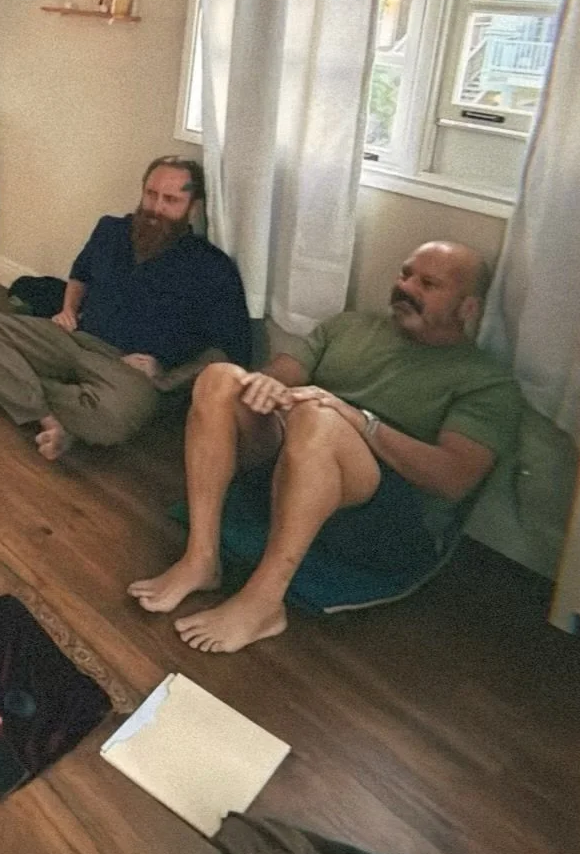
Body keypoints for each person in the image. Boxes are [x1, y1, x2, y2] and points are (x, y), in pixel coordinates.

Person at [128, 242, 522, 654]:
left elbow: (453, 478)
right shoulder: (349, 326)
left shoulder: (486, 380)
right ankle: (200, 559)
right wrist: (270, 384)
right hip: (299, 455)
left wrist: (358, 421)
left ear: (468, 308)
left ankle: (264, 603)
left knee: (318, 417)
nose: (406, 287)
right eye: (405, 274)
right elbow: (285, 373)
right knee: (219, 378)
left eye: (428, 283)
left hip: (384, 503)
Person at [0, 157, 252, 460]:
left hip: (125, 371)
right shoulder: (111, 229)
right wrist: (68, 309)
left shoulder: (212, 266)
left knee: (114, 417)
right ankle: (49, 419)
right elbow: (80, 274)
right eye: (151, 194)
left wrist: (165, 374)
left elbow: (227, 351)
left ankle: (12, 386)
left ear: (194, 207)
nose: (156, 208)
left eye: (171, 200)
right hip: (74, 339)